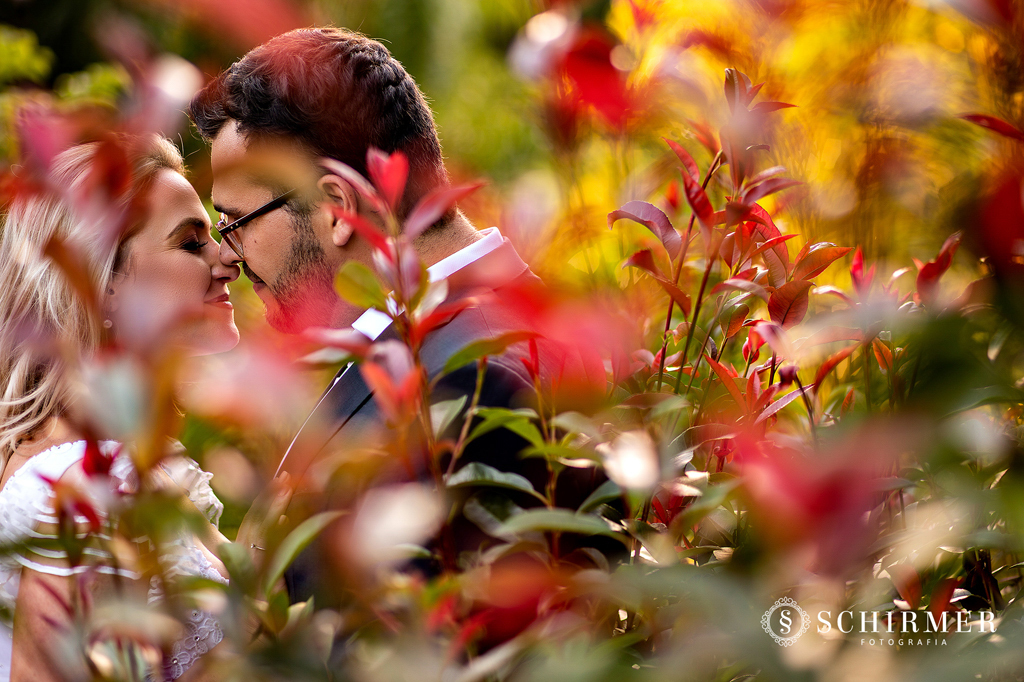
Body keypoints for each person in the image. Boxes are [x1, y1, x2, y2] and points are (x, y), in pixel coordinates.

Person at [188, 27, 607, 602]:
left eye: (234, 223)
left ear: (337, 208)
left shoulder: (477, 379)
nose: (228, 258)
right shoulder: (428, 341)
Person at [0, 136, 286, 681]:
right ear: (103, 285)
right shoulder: (75, 485)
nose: (230, 257)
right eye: (189, 243)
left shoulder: (128, 456)